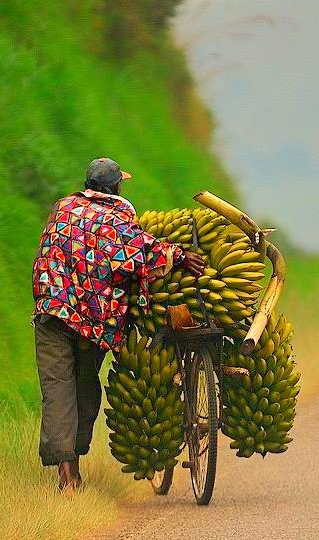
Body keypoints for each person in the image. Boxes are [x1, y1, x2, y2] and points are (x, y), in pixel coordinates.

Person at [31, 157, 204, 494]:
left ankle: (67, 473)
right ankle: (71, 472)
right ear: (115, 188)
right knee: (83, 388)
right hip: (90, 319)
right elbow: (139, 250)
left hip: (51, 311)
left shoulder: (63, 207)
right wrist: (180, 255)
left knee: (57, 390)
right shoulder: (115, 218)